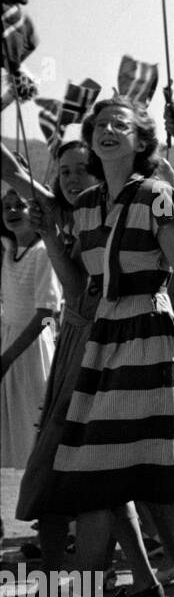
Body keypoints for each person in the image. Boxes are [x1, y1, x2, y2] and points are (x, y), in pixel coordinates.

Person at [12, 97, 174, 597]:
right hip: (104, 339)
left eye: (119, 125)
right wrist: (56, 242)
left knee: (129, 473)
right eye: (100, 125)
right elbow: (80, 291)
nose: (107, 131)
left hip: (152, 339)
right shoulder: (82, 206)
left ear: (141, 140)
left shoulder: (157, 196)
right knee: (106, 472)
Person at [1, 188, 61, 470]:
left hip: (31, 349)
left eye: (20, 205)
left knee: (32, 427)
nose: (13, 211)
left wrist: (8, 357)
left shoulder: (42, 253)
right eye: (7, 206)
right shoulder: (10, 248)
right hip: (8, 343)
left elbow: (46, 315)